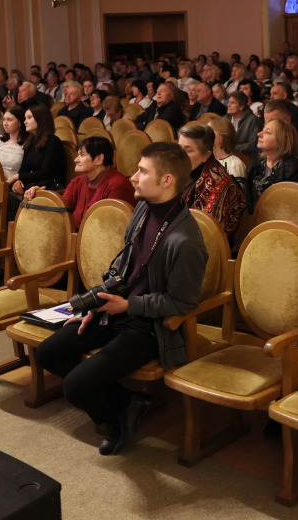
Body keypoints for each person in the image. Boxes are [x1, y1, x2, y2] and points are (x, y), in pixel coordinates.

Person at [33, 141, 206, 455]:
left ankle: (116, 420)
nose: (133, 177)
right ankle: (128, 401)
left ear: (166, 181)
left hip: (150, 327)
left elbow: (182, 304)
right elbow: (124, 269)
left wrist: (129, 305)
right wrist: (96, 303)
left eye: (142, 171)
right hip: (116, 308)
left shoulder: (186, 240)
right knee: (48, 352)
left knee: (74, 386)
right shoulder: (142, 209)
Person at [178, 123, 246, 241]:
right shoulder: (177, 172)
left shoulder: (220, 184)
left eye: (188, 150)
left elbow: (209, 236)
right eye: (179, 148)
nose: (180, 155)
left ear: (206, 155)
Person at [48, 137, 137, 226]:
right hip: (77, 236)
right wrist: (40, 197)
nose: (76, 160)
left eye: (82, 155)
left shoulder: (117, 185)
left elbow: (108, 227)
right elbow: (59, 212)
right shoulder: (77, 182)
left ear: (99, 159)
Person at [6, 105, 66, 216]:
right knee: (5, 201)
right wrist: (18, 182)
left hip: (49, 188)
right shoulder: (31, 141)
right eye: (25, 118)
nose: (25, 122)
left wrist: (17, 177)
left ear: (40, 120)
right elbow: (23, 170)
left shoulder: (53, 142)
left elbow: (45, 173)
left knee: (4, 199)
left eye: (29, 118)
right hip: (32, 187)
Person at [244, 118, 298, 208]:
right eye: (263, 129)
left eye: (267, 132)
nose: (259, 134)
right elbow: (247, 201)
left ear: (281, 141)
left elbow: (292, 205)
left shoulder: (294, 167)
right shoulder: (254, 164)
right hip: (255, 219)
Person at [0, 106, 27, 180]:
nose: (5, 123)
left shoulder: (27, 143)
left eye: (9, 120)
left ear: (20, 122)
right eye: (4, 120)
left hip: (15, 182)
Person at [208, 117, 246, 186]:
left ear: (223, 136)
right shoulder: (204, 160)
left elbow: (236, 193)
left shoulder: (234, 164)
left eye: (210, 130)